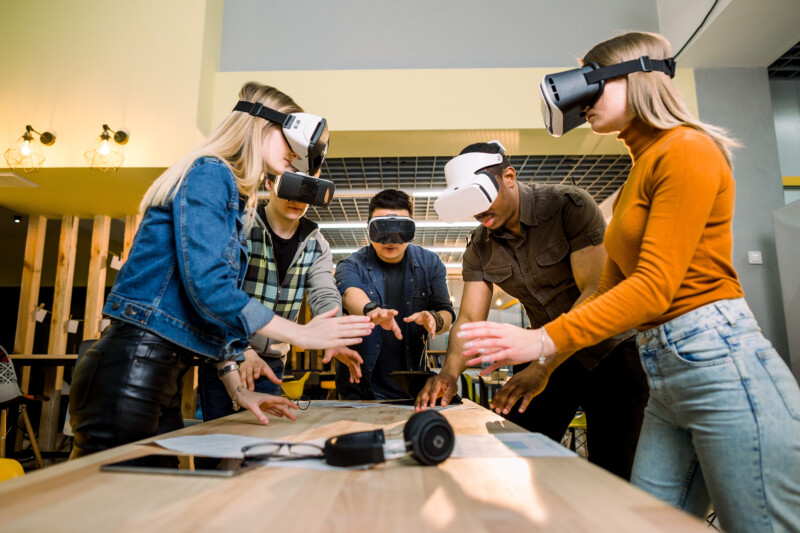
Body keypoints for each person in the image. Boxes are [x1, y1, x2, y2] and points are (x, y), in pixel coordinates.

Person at [458, 32, 800, 532]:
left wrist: (541, 338)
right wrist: (544, 364)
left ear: (636, 78)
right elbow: (606, 289)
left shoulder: (687, 149)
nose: (581, 104)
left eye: (590, 84)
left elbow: (653, 287)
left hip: (718, 358)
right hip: (663, 369)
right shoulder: (639, 171)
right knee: (642, 521)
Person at [69, 82, 373, 457]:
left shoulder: (234, 193)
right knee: (103, 505)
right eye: (290, 143)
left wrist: (237, 386)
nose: (295, 158)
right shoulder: (211, 172)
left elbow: (207, 308)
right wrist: (300, 334)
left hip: (159, 370)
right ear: (261, 127)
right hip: (133, 365)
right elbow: (211, 288)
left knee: (151, 499)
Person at [415, 141, 648, 480]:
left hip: (610, 352)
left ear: (508, 176)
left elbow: (595, 291)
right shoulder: (479, 248)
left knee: (614, 471)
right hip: (544, 355)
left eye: (482, 197)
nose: (478, 212)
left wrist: (542, 363)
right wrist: (449, 374)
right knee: (519, 454)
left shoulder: (568, 206)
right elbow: (467, 319)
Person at [198, 170, 364, 420]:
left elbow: (324, 292)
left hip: (273, 363)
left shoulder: (316, 243)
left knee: (262, 443)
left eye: (306, 192)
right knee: (219, 440)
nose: (297, 199)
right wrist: (242, 350)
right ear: (269, 183)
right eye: (290, 187)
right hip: (227, 353)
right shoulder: (241, 225)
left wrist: (333, 334)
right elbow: (220, 293)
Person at [334, 189, 455, 400]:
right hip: (360, 389)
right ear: (369, 229)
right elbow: (350, 293)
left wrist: (435, 320)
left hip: (412, 389)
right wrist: (371, 310)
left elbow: (446, 313)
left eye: (400, 228)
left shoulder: (431, 264)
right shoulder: (351, 264)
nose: (391, 238)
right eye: (382, 228)